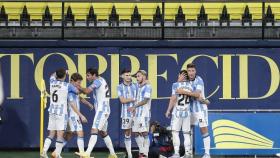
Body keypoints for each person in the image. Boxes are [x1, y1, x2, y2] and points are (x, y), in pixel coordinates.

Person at [76, 68, 117, 158]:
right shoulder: (102, 79)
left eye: (88, 75)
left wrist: (78, 86)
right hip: (104, 109)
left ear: (94, 75)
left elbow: (87, 91)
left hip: (102, 110)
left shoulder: (98, 81)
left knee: (94, 129)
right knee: (103, 132)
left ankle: (87, 153)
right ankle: (113, 154)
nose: (87, 77)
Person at [41, 69, 79, 158]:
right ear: (64, 77)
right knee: (60, 135)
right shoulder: (67, 85)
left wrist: (63, 71)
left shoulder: (52, 81)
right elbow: (77, 91)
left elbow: (52, 74)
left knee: (51, 134)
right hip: (61, 113)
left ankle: (44, 152)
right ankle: (57, 154)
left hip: (52, 111)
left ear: (57, 76)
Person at [176, 63, 211, 158]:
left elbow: (197, 94)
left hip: (200, 109)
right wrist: (178, 81)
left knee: (204, 129)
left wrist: (183, 91)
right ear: (187, 72)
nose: (191, 73)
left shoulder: (199, 80)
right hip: (188, 110)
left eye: (193, 71)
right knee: (187, 131)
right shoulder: (185, 81)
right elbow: (176, 90)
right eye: (189, 71)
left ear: (195, 71)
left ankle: (207, 153)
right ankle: (188, 153)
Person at [165, 70, 192, 158]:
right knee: (186, 133)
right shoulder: (191, 85)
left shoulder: (175, 85)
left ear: (180, 75)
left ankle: (176, 153)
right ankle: (188, 153)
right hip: (187, 112)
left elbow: (173, 98)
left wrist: (168, 110)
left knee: (175, 132)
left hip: (177, 112)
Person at [128, 70, 152, 158]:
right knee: (136, 133)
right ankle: (142, 152)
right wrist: (134, 108)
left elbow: (145, 100)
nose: (137, 78)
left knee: (145, 133)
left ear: (144, 77)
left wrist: (134, 107)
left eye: (139, 76)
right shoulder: (138, 87)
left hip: (144, 114)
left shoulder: (148, 87)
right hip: (137, 114)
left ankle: (145, 154)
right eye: (136, 76)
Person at [117, 69, 137, 158]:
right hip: (126, 113)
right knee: (127, 133)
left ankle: (143, 153)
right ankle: (129, 154)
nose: (129, 77)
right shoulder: (119, 87)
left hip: (137, 113)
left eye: (129, 75)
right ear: (122, 76)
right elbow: (122, 100)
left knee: (140, 132)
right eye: (126, 75)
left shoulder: (136, 86)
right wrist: (132, 99)